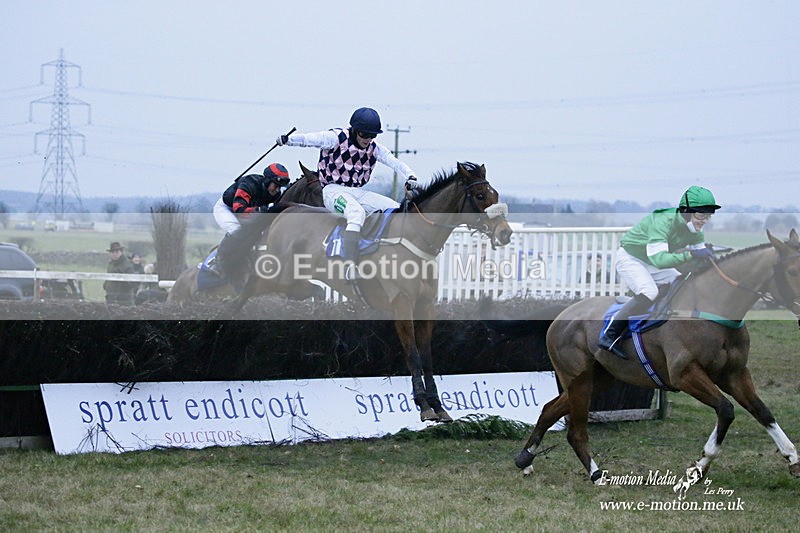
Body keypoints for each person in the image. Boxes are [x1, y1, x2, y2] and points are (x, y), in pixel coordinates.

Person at [276, 107, 419, 280]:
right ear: (355, 130)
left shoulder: (375, 148)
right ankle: (349, 266)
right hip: (332, 191)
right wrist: (288, 140)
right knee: (356, 213)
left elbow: (394, 162)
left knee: (395, 208)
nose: (368, 139)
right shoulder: (336, 138)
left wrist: (411, 175)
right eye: (365, 135)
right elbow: (310, 139)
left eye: (372, 136)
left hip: (357, 192)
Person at [598, 186, 721, 358]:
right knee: (649, 292)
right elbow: (660, 260)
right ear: (686, 211)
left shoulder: (695, 231)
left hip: (650, 261)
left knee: (680, 283)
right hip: (631, 258)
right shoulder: (663, 221)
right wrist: (691, 254)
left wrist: (711, 259)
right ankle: (609, 335)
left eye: (708, 215)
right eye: (701, 215)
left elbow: (701, 258)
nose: (704, 220)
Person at [209, 163, 291, 279]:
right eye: (275, 185)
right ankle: (216, 262)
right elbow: (239, 210)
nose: (277, 189)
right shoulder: (249, 184)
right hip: (227, 209)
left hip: (248, 212)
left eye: (280, 187)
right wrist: (263, 209)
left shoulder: (275, 194)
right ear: (267, 181)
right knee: (236, 229)